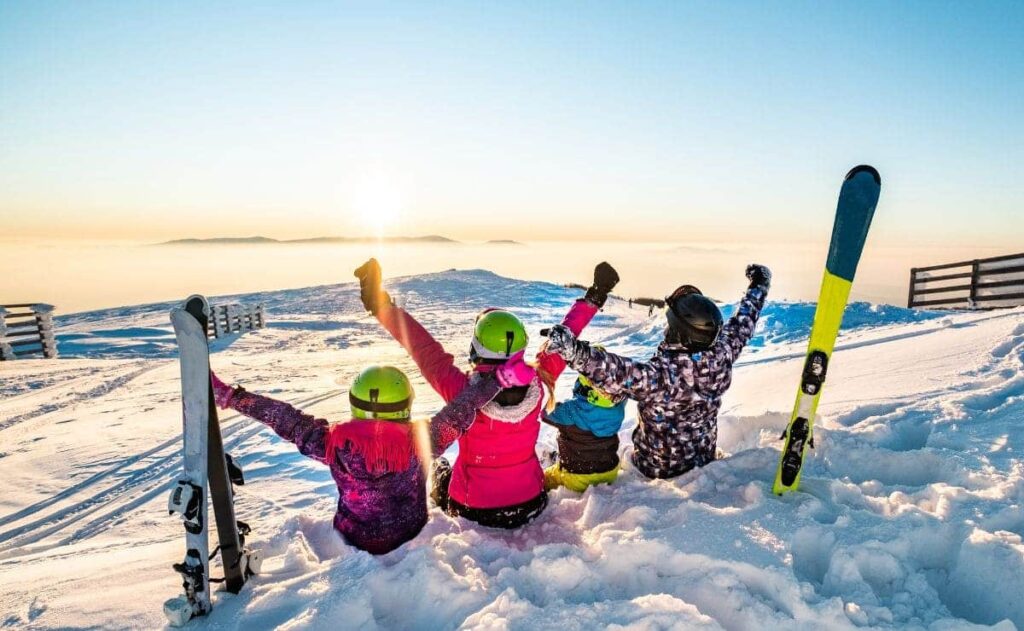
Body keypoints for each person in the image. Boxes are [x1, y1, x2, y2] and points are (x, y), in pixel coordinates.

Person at [355, 259, 619, 528]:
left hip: (473, 509)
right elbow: (565, 337)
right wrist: (595, 296)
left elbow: (423, 348)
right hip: (530, 501)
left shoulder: (462, 392)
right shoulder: (539, 382)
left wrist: (380, 305)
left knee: (440, 469)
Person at [208, 355, 536, 554]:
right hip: (411, 530)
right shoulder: (423, 441)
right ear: (405, 405)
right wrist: (499, 380)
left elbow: (286, 419)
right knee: (440, 469)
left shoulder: (332, 443)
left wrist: (233, 398)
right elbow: (461, 411)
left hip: (355, 537)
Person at [544, 264, 771, 480]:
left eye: (670, 326)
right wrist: (758, 286)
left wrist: (574, 351)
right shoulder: (722, 354)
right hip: (703, 459)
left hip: (655, 469)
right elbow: (743, 324)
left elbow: (615, 371)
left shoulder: (662, 376)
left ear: (680, 333)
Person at [541, 345, 627, 492]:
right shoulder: (617, 407)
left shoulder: (572, 410)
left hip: (577, 477)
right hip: (610, 471)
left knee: (543, 478)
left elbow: (545, 413)